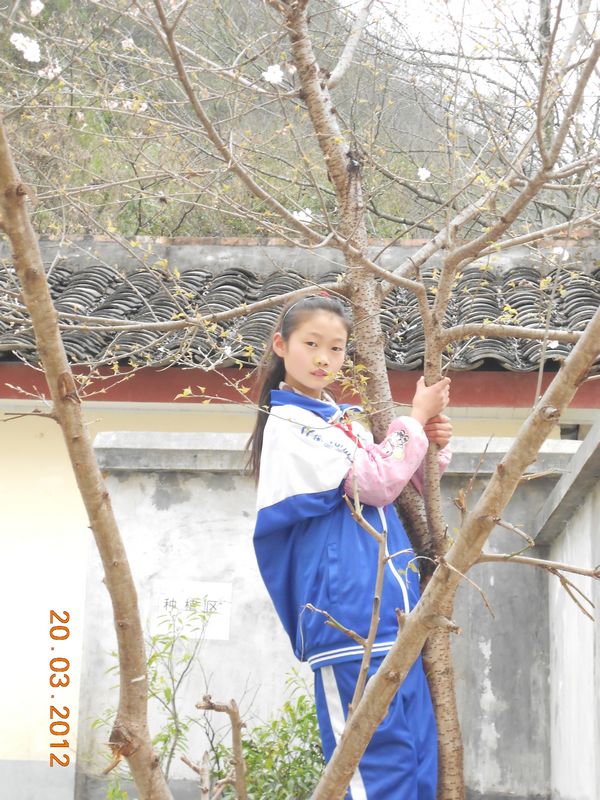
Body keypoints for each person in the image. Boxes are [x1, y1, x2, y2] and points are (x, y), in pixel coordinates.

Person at [247, 294, 452, 800]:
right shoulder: (291, 426)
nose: (324, 359)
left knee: (417, 766)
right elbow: (375, 482)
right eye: (311, 344)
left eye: (336, 349)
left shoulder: (343, 423)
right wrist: (413, 420)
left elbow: (401, 483)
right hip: (348, 622)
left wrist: (431, 441)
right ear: (280, 346)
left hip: (396, 617)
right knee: (375, 774)